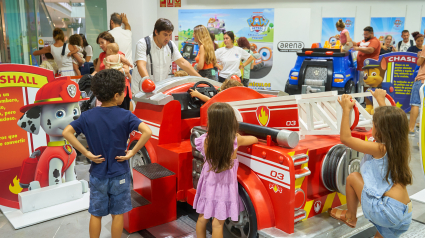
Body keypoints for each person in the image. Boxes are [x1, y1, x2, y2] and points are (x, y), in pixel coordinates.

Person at [63, 69, 152, 238]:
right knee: (118, 213)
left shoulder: (88, 115)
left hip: (97, 173)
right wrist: (132, 151)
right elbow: (146, 131)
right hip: (120, 172)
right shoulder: (126, 115)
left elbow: (67, 132)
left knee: (96, 213)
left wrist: (86, 153)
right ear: (118, 94)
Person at [330, 89, 412, 238]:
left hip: (386, 211)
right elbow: (390, 121)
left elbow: (345, 139)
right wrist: (380, 99)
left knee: (352, 178)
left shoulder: (379, 148)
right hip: (404, 211)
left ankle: (350, 216)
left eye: (373, 124)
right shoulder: (400, 145)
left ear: (381, 130)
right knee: (383, 233)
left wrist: (346, 110)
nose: (371, 127)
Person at [193, 102, 258, 238]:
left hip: (208, 185)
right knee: (218, 224)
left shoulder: (205, 140)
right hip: (224, 188)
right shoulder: (235, 140)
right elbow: (254, 138)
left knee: (202, 218)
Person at [132, 18, 201, 95]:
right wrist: (148, 82)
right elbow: (141, 65)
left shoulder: (170, 45)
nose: (167, 38)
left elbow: (182, 62)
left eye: (169, 35)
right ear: (156, 32)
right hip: (141, 90)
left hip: (159, 90)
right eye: (165, 34)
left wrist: (200, 79)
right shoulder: (143, 43)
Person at [92, 31, 132, 110]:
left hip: (120, 87)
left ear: (109, 41)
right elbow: (97, 71)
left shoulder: (120, 55)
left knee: (121, 111)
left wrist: (109, 72)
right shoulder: (102, 55)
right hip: (106, 88)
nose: (100, 45)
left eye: (102, 42)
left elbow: (126, 71)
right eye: (99, 43)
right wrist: (89, 77)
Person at [408, 48, 425, 136]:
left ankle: (411, 129)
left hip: (422, 80)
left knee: (415, 103)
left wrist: (419, 56)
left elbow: (419, 62)